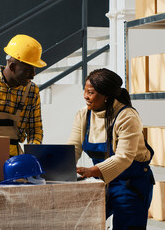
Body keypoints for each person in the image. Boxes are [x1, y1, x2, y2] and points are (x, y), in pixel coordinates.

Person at [67, 68, 155, 229]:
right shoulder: (83, 115)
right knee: (83, 223)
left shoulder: (126, 116)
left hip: (131, 183)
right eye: (85, 91)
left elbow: (123, 157)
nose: (85, 96)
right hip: (103, 183)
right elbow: (73, 147)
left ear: (106, 96)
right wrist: (61, 166)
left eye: (91, 92)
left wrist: (91, 171)